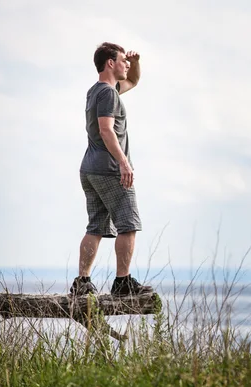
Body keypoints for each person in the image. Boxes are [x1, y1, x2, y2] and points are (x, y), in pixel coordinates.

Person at [70, 42, 148, 297]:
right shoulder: (108, 94)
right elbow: (106, 130)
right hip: (109, 169)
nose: (127, 64)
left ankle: (82, 282)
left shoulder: (98, 91)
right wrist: (124, 163)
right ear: (110, 63)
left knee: (96, 227)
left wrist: (135, 62)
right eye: (123, 60)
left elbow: (134, 82)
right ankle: (122, 283)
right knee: (128, 224)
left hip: (90, 169)